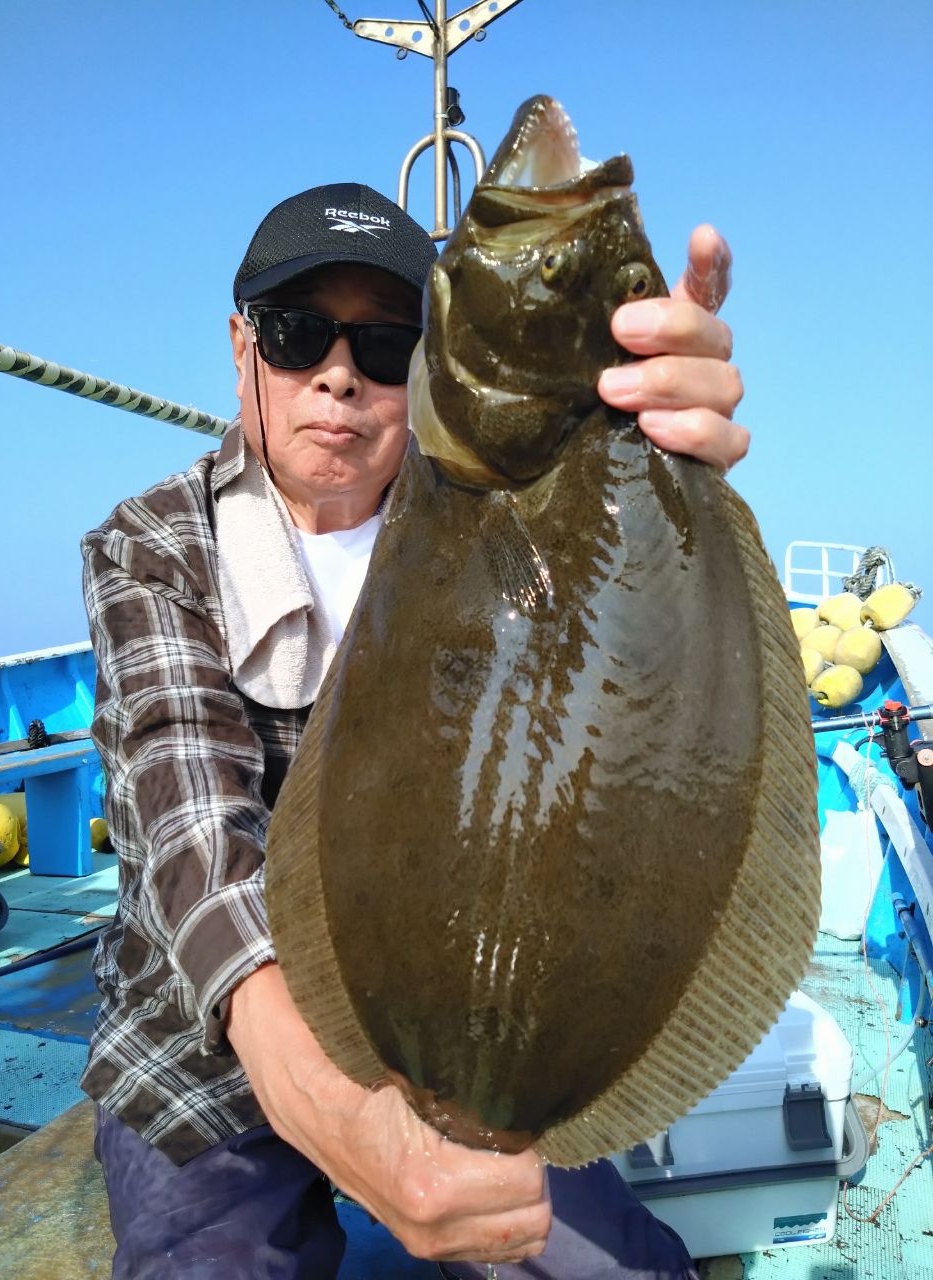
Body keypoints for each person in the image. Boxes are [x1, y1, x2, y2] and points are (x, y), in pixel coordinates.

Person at [81, 180, 746, 1279]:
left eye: (386, 347)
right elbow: (190, 830)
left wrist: (658, 461)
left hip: (466, 1014)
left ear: (429, 371)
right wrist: (339, 1115)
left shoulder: (506, 505)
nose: (339, 375)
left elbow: (639, 679)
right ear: (242, 348)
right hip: (209, 1034)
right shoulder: (151, 545)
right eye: (298, 336)